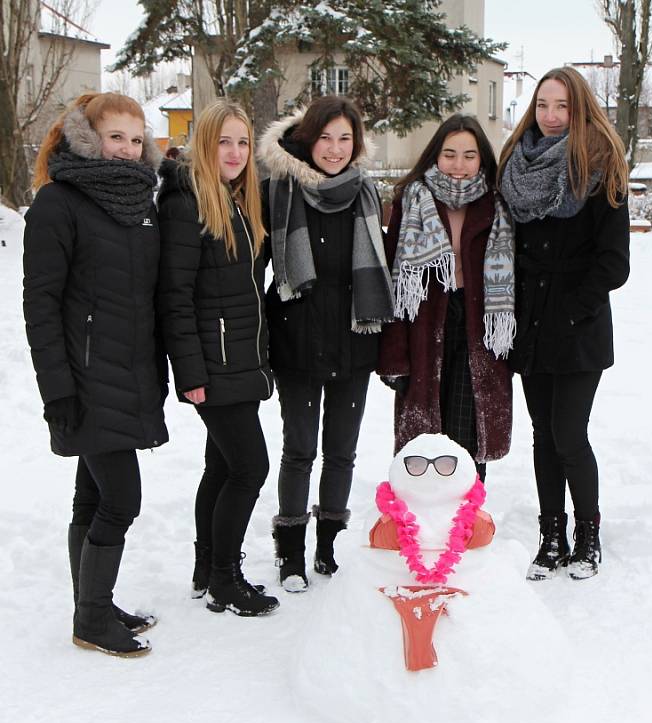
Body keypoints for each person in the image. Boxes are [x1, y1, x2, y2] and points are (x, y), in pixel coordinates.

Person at [23, 93, 169, 657]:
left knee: (92, 495)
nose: (127, 150)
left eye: (137, 140)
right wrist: (56, 387)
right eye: (116, 137)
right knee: (121, 499)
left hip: (129, 373)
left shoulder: (142, 203)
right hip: (83, 380)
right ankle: (89, 616)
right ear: (86, 137)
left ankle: (95, 602)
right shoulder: (57, 203)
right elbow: (41, 303)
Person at [498, 66, 630, 580]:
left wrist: (575, 309)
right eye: (542, 105)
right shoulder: (516, 167)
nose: (551, 116)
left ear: (579, 109)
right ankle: (550, 534)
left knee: (569, 433)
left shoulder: (600, 167)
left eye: (562, 107)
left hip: (578, 327)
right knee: (541, 436)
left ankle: (587, 535)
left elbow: (614, 262)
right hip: (530, 320)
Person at [259, 95, 394, 592]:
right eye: (325, 137)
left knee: (341, 451)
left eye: (345, 139)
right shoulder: (278, 189)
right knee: (299, 450)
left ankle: (328, 545)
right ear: (307, 138)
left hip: (354, 341)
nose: (335, 149)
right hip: (296, 340)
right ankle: (289, 550)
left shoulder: (365, 192)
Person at [157, 100, 279, 616]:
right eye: (224, 141)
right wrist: (191, 372)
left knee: (221, 466)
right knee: (250, 467)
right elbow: (174, 294)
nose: (234, 152)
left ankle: (207, 567)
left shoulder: (238, 198)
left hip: (240, 358)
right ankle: (227, 580)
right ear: (206, 144)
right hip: (214, 362)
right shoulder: (187, 202)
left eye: (243, 142)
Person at [378, 114, 514, 482]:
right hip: (424, 328)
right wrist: (394, 357)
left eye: (469, 155)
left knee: (468, 433)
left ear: (482, 159)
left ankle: (467, 520)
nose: (458, 165)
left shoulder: (498, 205)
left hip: (479, 329)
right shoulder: (411, 201)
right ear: (435, 156)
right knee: (424, 439)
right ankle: (423, 522)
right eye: (449, 153)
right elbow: (392, 283)